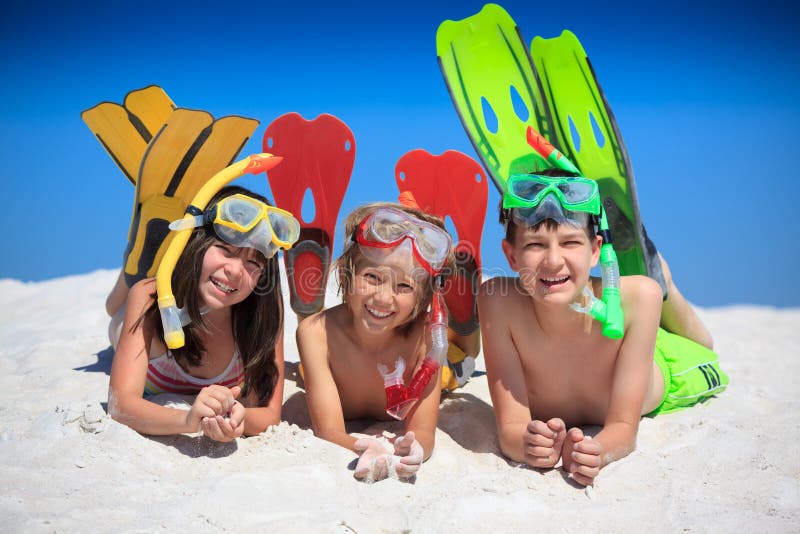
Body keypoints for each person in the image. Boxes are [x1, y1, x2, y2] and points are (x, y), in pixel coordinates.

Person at [478, 169, 728, 486]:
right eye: (536, 245)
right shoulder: (498, 304)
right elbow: (512, 426)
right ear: (511, 255)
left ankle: (667, 284)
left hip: (663, 364)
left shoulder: (638, 298)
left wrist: (598, 449)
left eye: (570, 242)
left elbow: (624, 427)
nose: (553, 261)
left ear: (596, 250)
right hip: (615, 338)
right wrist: (528, 445)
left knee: (705, 348)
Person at [107, 185, 299, 442]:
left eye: (253, 262)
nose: (235, 270)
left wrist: (238, 418)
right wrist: (187, 420)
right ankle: (139, 259)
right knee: (116, 312)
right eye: (226, 250)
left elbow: (269, 414)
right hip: (151, 316)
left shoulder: (264, 310)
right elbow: (121, 405)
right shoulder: (150, 299)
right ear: (198, 243)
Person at [296, 202, 456, 481]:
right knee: (302, 372)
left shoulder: (428, 338)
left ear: (424, 297)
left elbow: (423, 434)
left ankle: (465, 344)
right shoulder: (316, 334)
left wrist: (414, 447)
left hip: (441, 373)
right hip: (327, 370)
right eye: (372, 277)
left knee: (454, 373)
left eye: (404, 286)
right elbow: (328, 431)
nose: (383, 298)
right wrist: (365, 446)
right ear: (348, 273)